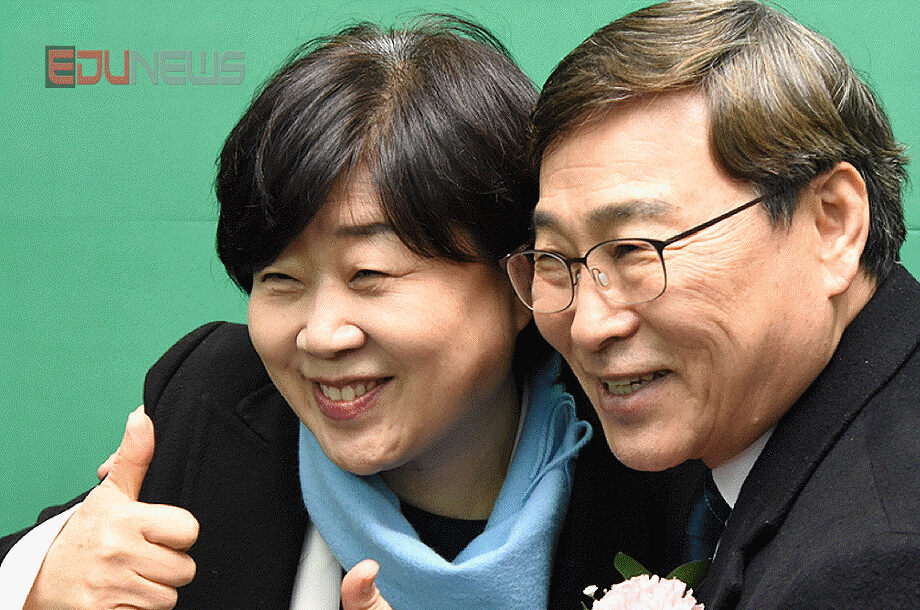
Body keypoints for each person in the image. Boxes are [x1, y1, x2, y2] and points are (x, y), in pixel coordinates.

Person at [0, 15, 688, 610]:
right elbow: (70, 556)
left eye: (370, 275)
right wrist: (37, 582)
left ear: (521, 279)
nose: (322, 336)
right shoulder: (213, 398)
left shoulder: (655, 459)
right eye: (280, 278)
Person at [501, 1, 920, 608]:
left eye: (635, 250)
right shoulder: (724, 433)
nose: (589, 326)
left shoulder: (875, 564)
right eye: (552, 258)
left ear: (831, 223)